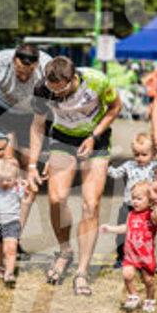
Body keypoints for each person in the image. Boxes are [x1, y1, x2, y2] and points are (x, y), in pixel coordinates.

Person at [27, 56, 122, 296]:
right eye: (53, 91)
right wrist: (32, 165)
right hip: (63, 138)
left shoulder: (96, 81)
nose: (57, 96)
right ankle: (65, 251)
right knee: (56, 199)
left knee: (91, 204)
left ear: (73, 79)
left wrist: (94, 136)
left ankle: (82, 271)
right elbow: (37, 127)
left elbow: (115, 108)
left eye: (62, 91)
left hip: (96, 139)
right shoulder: (42, 89)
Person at [100, 181, 157, 313]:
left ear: (149, 200)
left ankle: (150, 299)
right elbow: (126, 228)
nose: (135, 202)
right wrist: (110, 229)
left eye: (139, 199)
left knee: (148, 280)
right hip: (131, 254)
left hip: (145, 255)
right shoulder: (131, 214)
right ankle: (133, 295)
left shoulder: (150, 215)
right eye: (133, 198)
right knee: (127, 275)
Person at [107, 133, 157, 268]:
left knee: (144, 234)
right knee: (122, 233)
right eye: (136, 154)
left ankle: (143, 257)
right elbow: (115, 173)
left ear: (153, 154)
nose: (139, 158)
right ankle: (121, 257)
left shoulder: (154, 167)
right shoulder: (129, 165)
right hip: (128, 205)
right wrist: (106, 164)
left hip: (146, 209)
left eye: (144, 154)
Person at [0, 158, 30, 287]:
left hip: (11, 222)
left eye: (8, 180)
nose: (4, 183)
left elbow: (26, 197)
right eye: (1, 180)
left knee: (10, 248)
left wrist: (26, 187)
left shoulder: (17, 187)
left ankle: (9, 272)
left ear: (15, 178)